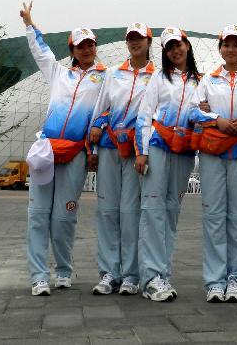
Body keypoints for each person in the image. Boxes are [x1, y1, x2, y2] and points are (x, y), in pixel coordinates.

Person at [20, 1, 107, 297]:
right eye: (80, 46)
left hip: (76, 154)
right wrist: (30, 24)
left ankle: (64, 271)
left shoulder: (105, 77)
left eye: (90, 45)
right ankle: (38, 276)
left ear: (95, 47)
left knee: (64, 216)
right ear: (72, 50)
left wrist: (95, 146)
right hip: (46, 152)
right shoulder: (58, 73)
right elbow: (41, 50)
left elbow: (108, 111)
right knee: (38, 215)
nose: (86, 50)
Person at [190, 24, 237, 303]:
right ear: (220, 48)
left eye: (236, 45)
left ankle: (234, 279)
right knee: (213, 217)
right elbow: (193, 109)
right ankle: (214, 280)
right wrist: (217, 120)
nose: (231, 49)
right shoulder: (209, 79)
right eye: (226, 44)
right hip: (212, 153)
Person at [87, 23, 155, 297]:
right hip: (109, 147)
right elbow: (102, 108)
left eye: (140, 39)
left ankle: (130, 274)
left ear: (149, 42)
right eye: (131, 39)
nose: (135, 43)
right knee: (106, 211)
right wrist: (92, 149)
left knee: (130, 213)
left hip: (136, 152)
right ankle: (108, 273)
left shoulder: (157, 77)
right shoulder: (114, 74)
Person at [134, 27, 201, 301]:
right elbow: (144, 114)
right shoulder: (159, 79)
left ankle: (163, 274)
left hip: (184, 152)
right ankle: (150, 278)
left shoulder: (200, 81)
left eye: (179, 44)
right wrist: (142, 151)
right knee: (152, 210)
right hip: (159, 146)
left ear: (187, 46)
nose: (176, 50)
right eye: (170, 47)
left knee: (171, 211)